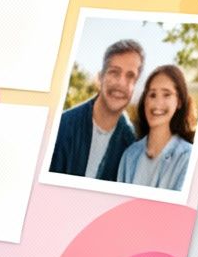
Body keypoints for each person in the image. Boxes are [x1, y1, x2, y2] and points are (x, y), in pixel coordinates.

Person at [48, 38, 143, 182]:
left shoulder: (132, 145)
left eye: (130, 76)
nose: (121, 83)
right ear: (100, 78)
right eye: (114, 72)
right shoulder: (61, 127)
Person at [118, 64, 197, 192]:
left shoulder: (188, 157)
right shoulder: (129, 156)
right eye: (152, 95)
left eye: (166, 94)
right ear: (145, 100)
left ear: (179, 102)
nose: (157, 103)